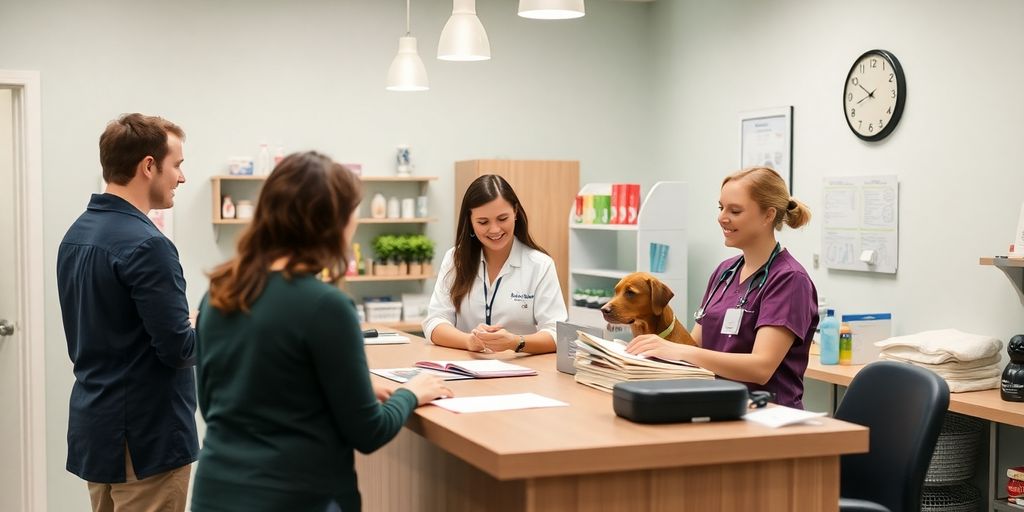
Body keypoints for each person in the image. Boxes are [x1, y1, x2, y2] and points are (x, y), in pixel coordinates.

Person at [191, 151, 452, 512]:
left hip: (216, 493)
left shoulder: (220, 292)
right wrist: (411, 393)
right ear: (329, 223)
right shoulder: (325, 305)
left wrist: (331, 389)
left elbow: (217, 405)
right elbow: (368, 432)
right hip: (297, 498)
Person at [56, 113, 197, 512]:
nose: (182, 178)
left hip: (98, 432)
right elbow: (177, 349)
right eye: (178, 165)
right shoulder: (149, 245)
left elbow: (113, 328)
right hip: (146, 442)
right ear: (148, 166)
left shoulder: (77, 235)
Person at [626, 167, 819, 409]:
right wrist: (649, 342)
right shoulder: (724, 272)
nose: (722, 217)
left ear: (768, 216)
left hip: (767, 414)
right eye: (721, 208)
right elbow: (693, 346)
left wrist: (676, 351)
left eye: (735, 210)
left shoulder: (789, 279)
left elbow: (761, 367)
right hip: (717, 404)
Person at [422, 174, 568, 354]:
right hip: (465, 370)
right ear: (470, 221)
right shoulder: (455, 259)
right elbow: (435, 323)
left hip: (523, 374)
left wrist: (516, 342)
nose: (495, 229)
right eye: (483, 222)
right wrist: (469, 341)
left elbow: (556, 333)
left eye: (502, 219)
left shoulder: (540, 265)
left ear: (515, 212)